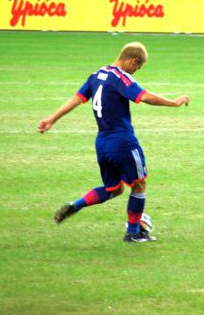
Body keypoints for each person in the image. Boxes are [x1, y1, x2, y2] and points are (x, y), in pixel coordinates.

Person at [38, 42, 190, 243]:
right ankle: (134, 233)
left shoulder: (96, 75)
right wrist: (174, 102)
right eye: (137, 67)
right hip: (123, 141)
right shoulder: (121, 77)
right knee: (139, 185)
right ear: (133, 61)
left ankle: (76, 205)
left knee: (114, 189)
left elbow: (75, 100)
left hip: (102, 143)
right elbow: (145, 97)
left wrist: (51, 119)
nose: (135, 72)